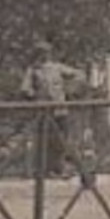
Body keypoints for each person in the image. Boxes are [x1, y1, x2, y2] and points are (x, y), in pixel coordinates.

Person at [23, 40, 82, 177]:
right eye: (40, 53)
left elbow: (78, 75)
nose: (44, 56)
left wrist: (70, 89)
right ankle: (43, 169)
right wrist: (35, 95)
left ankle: (62, 168)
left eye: (46, 53)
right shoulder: (33, 71)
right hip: (43, 112)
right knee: (44, 141)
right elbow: (25, 89)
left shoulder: (57, 68)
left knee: (62, 140)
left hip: (60, 110)